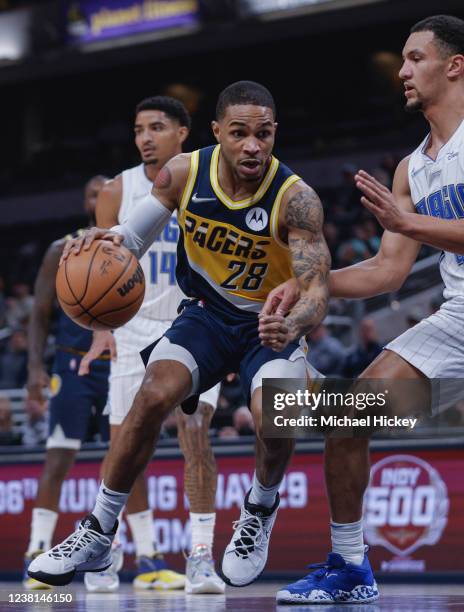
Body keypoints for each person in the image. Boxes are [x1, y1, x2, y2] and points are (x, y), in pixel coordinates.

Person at [28, 80, 331, 594]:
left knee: (275, 418)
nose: (252, 145)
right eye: (239, 133)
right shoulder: (184, 173)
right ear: (217, 133)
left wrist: (297, 321)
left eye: (263, 133)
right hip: (207, 316)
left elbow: (317, 288)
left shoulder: (296, 199)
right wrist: (109, 244)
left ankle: (259, 507)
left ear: (275, 133)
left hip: (267, 323)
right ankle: (100, 529)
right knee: (152, 395)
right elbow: (132, 239)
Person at [261, 14, 464, 602]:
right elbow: (388, 271)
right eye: (402, 59)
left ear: (455, 66)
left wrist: (407, 221)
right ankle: (350, 566)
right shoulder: (411, 167)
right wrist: (308, 283)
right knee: (348, 416)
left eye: (415, 58)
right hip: (462, 309)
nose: (402, 70)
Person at [77, 96, 224, 595]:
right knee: (126, 446)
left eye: (156, 127)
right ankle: (118, 550)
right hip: (131, 327)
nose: (144, 137)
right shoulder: (117, 189)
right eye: (139, 128)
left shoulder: (208, 178)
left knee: (194, 433)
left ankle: (201, 555)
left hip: (193, 324)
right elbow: (97, 270)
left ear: (183, 133)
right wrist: (101, 332)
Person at [23, 176, 111, 590]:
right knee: (58, 458)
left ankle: (147, 556)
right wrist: (35, 372)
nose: (99, 200)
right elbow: (40, 316)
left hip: (118, 364)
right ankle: (37, 548)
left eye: (106, 194)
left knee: (127, 457)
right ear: (85, 201)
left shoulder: (129, 245)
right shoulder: (61, 249)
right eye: (93, 194)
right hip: (71, 363)